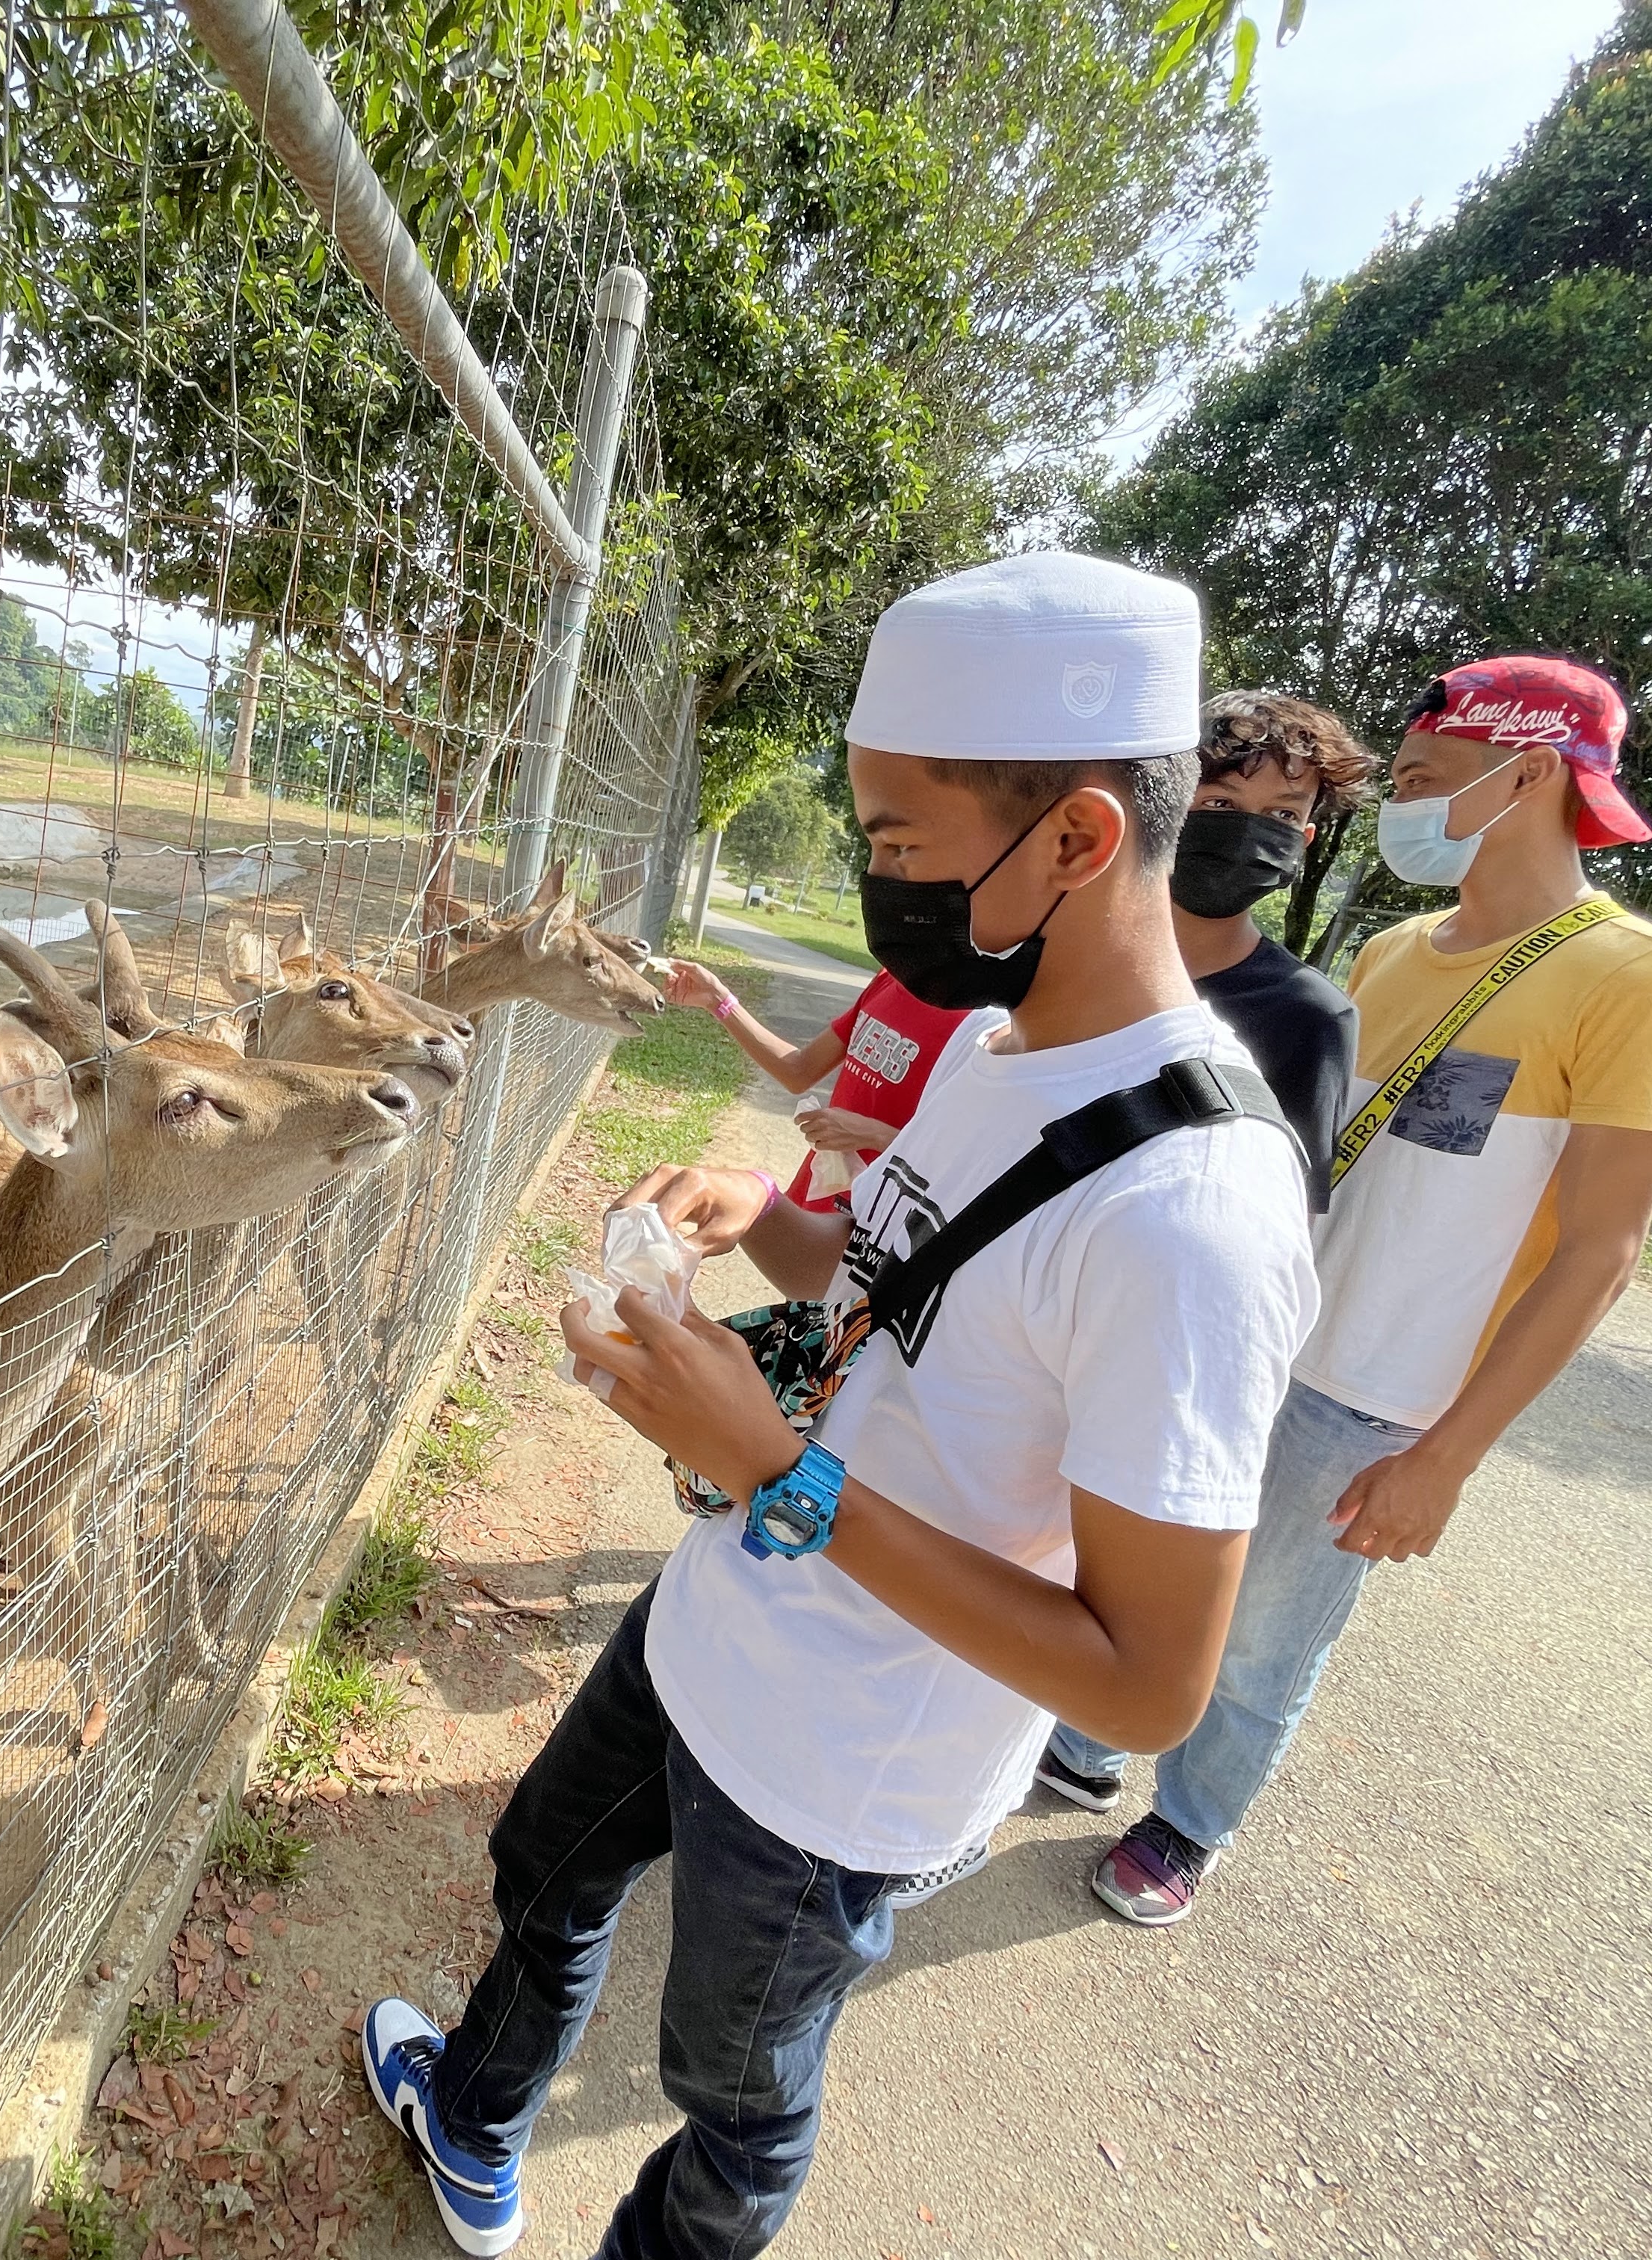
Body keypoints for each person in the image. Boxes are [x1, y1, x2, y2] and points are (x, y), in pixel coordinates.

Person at [354, 553, 1318, 2260]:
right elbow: (877, 1266)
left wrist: (776, 1471)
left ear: (1080, 840)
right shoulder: (990, 1040)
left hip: (840, 1768)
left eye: (895, 846)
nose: (880, 884)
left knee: (730, 2098)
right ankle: (477, 2113)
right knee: (547, 1873)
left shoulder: (1194, 1216)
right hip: (714, 1619)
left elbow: (1148, 1677)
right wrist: (762, 1222)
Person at [1052, 652, 1652, 1927]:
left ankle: (1188, 1819)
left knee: (1265, 1632)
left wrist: (1447, 1454)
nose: (1403, 805)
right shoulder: (1398, 945)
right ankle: (1095, 1727)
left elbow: (1602, 1248)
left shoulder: (1640, 981)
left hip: (1382, 1392)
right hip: (1265, 1335)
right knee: (1157, 1549)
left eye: (1421, 778)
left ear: (1526, 771)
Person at [1166, 691, 1376, 1205]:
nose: (1245, 833)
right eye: (1220, 804)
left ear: (1303, 840)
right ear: (1166, 805)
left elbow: (1287, 1216)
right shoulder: (1058, 959)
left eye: (1281, 815)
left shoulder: (1311, 1018)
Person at [652, 954, 968, 1207]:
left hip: (880, 1227)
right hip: (818, 1197)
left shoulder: (982, 1025)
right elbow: (799, 1071)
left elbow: (966, 1163)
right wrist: (718, 1000)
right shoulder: (889, 981)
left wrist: (875, 1135)